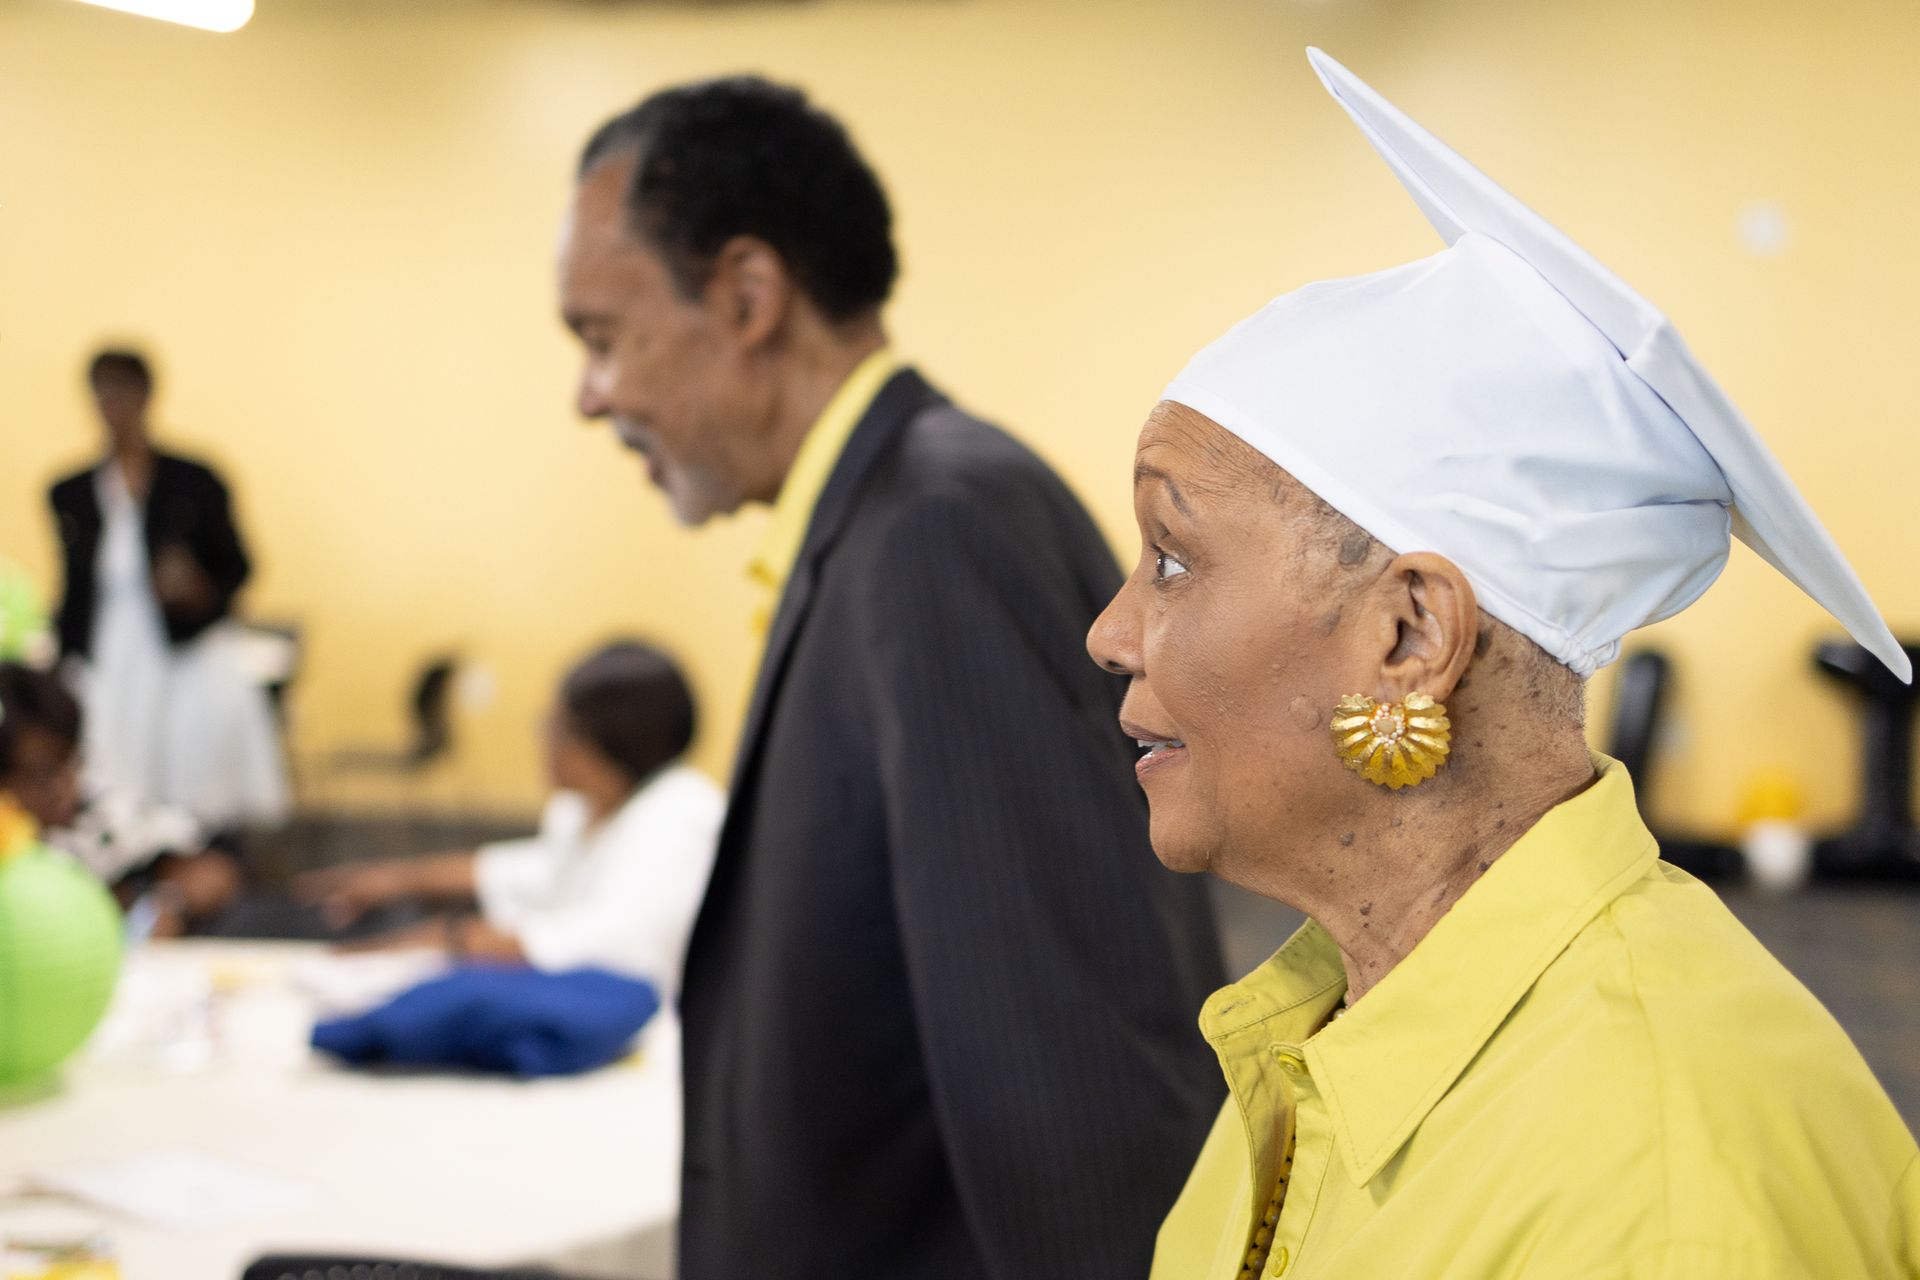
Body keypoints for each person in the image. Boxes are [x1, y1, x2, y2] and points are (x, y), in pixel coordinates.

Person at [1088, 50, 1920, 1280]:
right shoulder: (1330, 1005)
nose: (1110, 630)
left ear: (1412, 636)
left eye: (1170, 555)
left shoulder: (1666, 1201)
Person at [558, 77, 1225, 1278]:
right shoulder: (871, 522)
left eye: (603, 339)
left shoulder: (937, 531)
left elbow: (1070, 1071)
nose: (591, 396)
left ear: (749, 297)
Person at [296, 641, 721, 998]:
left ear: (617, 740)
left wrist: (426, 942)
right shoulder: (587, 807)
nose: (545, 741)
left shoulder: (680, 814)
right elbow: (535, 870)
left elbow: (605, 942)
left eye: (560, 728)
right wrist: (394, 880)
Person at [49, 349, 287, 830]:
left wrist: (200, 590)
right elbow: (74, 586)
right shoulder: (70, 492)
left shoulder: (194, 482)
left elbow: (238, 567)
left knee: (190, 767)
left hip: (183, 645)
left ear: (146, 395)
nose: (112, 404)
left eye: (123, 390)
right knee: (113, 762)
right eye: (103, 391)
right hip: (109, 649)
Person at [0, 661, 243, 936]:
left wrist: (168, 901)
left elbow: (214, 865)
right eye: (39, 775)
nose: (63, 787)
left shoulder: (102, 821)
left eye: (71, 762)